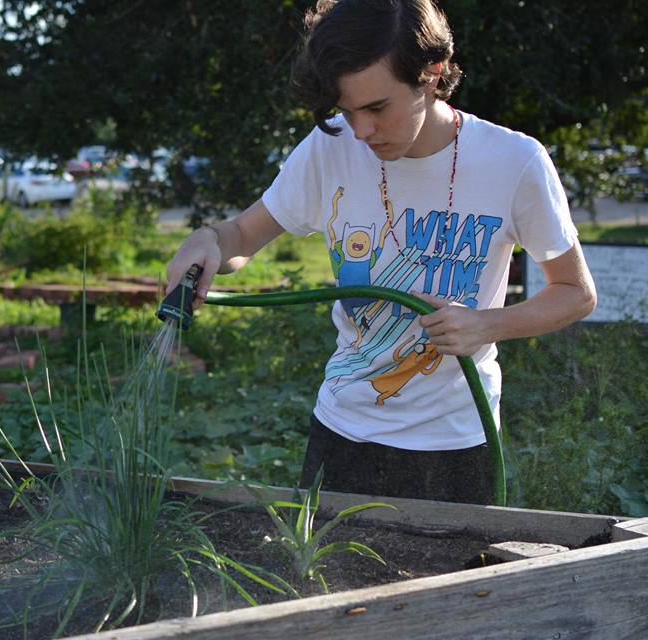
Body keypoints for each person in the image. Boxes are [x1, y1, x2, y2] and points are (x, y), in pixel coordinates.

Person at [165, 0, 597, 505]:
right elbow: (241, 235)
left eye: (376, 108)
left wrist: (487, 324)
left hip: (456, 446)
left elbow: (575, 294)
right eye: (347, 111)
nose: (361, 131)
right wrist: (208, 240)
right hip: (342, 434)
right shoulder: (330, 149)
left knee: (460, 587)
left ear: (432, 74)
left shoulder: (514, 162)